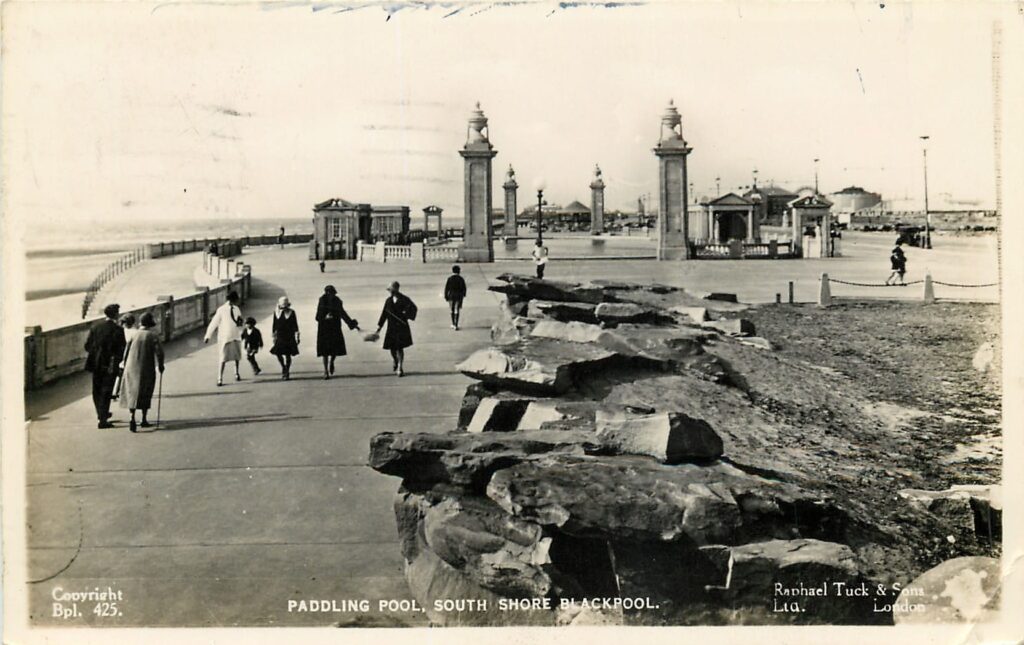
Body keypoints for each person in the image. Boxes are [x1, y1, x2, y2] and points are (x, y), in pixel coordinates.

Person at [84, 304, 127, 428]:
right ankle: (102, 420)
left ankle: (101, 413)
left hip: (95, 364)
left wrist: (97, 353)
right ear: (115, 314)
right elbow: (121, 349)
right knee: (106, 390)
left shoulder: (95, 327)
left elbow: (87, 346)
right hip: (110, 364)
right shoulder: (118, 330)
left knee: (96, 390)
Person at [120, 313, 165, 433]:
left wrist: (124, 364)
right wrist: (161, 365)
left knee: (132, 392)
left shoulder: (134, 335)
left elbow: (126, 352)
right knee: (146, 391)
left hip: (131, 366)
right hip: (146, 367)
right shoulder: (152, 335)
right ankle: (144, 419)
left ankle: (132, 417)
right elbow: (159, 353)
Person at [315, 285, 359, 380]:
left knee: (335, 349)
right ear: (327, 293)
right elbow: (317, 316)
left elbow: (342, 313)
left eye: (333, 293)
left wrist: (351, 324)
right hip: (324, 328)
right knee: (325, 352)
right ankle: (325, 371)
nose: (332, 295)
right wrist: (325, 317)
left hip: (334, 327)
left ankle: (332, 362)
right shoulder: (322, 301)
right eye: (331, 293)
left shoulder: (337, 301)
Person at [375, 281, 417, 377]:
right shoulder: (388, 301)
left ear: (396, 289)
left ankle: (400, 367)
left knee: (399, 348)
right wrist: (379, 328)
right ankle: (395, 360)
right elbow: (384, 314)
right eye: (389, 290)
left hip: (401, 327)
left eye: (391, 290)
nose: (390, 292)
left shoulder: (405, 299)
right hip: (391, 327)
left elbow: (414, 309)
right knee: (392, 348)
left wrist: (406, 315)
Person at [203, 290, 244, 386]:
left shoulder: (237, 309)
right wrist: (208, 335)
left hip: (235, 335)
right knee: (223, 358)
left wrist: (240, 325)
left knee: (236, 356)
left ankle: (236, 373)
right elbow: (214, 323)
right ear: (233, 300)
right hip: (225, 337)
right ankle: (220, 378)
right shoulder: (221, 310)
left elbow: (239, 321)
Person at [270, 296, 300, 379]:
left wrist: (297, 336)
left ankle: (287, 370)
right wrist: (274, 336)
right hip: (280, 335)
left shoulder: (292, 312)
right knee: (278, 353)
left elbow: (295, 325)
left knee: (288, 355)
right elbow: (274, 325)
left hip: (289, 336)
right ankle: (283, 367)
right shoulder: (276, 313)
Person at [444, 265, 467, 330]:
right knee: (457, 310)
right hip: (458, 296)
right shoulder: (461, 279)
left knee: (452, 309)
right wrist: (463, 295)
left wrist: (446, 296)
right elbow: (464, 288)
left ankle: (453, 323)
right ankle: (456, 324)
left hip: (451, 296)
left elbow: (446, 288)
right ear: (459, 271)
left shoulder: (450, 279)